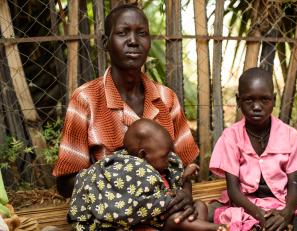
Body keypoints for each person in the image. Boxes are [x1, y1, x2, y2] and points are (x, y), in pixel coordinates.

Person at [52, 2, 199, 226]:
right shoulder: (86, 99)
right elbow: (64, 183)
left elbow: (186, 164)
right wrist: (123, 189)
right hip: (113, 218)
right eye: (122, 33)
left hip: (166, 213)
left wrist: (185, 194)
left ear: (149, 42)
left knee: (200, 211)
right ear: (105, 43)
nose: (133, 41)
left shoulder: (167, 98)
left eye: (142, 34)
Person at [68, 119, 227, 231]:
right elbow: (150, 208)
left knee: (199, 205)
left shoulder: (162, 168)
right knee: (175, 219)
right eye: (164, 156)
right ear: (143, 155)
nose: (169, 160)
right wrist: (171, 203)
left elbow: (182, 200)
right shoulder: (132, 174)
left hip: (171, 220)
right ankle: (216, 228)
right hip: (145, 226)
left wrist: (185, 179)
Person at [209, 67, 297, 231]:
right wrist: (260, 215)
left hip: (280, 205)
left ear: (274, 100)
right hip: (245, 205)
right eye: (249, 100)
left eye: (264, 100)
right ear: (238, 101)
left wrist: (285, 214)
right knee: (225, 219)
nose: (257, 106)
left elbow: (294, 187)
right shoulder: (231, 137)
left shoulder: (290, 136)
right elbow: (233, 192)